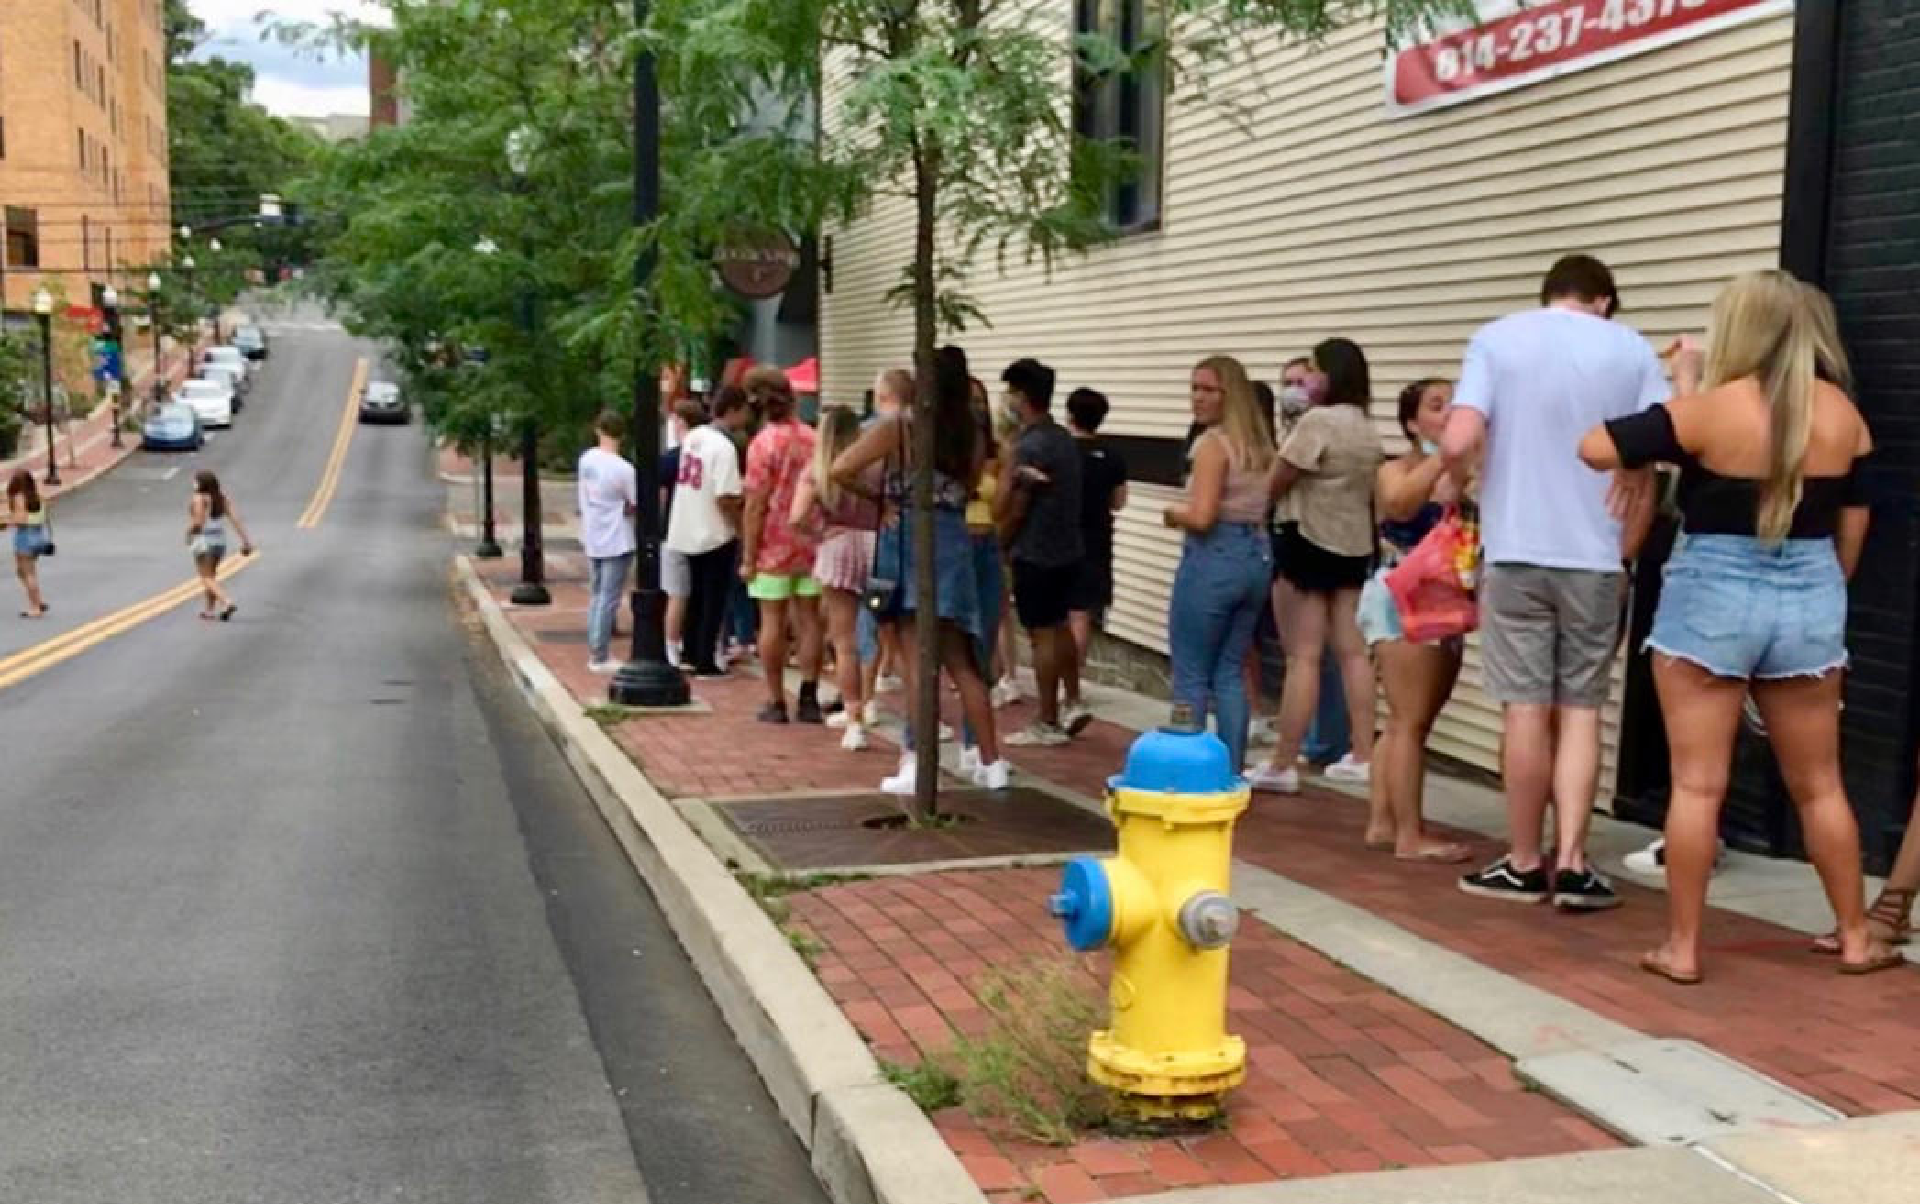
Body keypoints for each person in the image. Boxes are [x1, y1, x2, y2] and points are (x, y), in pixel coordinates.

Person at [1578, 271, 1899, 980]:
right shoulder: (1845, 414)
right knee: (1820, 784)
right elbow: (1852, 534)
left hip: (1711, 597)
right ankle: (1852, 934)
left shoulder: (1707, 412)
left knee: (1698, 785)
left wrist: (1681, 392)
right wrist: (1816, 591)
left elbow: (1595, 445)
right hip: (1810, 593)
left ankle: (1684, 948)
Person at [1440, 254, 1665, 911]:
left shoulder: (1498, 337)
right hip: (1595, 555)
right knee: (1582, 710)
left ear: (1550, 295)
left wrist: (1462, 467)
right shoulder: (1631, 348)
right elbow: (1663, 429)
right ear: (1602, 300)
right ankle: (1572, 863)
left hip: (1516, 551)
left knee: (1525, 710)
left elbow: (1458, 434)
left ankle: (1521, 860)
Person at [834, 347, 1007, 791]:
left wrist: (882, 500)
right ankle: (992, 762)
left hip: (908, 537)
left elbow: (841, 468)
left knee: (915, 660)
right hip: (954, 540)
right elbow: (970, 488)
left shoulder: (902, 430)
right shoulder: (971, 434)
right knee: (963, 660)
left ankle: (915, 759)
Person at [1249, 338, 1383, 792]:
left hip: (1305, 539)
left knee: (1302, 655)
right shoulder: (1366, 426)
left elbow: (1279, 477)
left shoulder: (1317, 422)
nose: (1305, 381)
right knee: (1352, 652)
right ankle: (1363, 752)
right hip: (1352, 544)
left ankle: (1283, 762)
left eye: (1312, 371)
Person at [1358, 379, 1473, 863]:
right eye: (1435, 406)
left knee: (1413, 721)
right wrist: (1442, 456)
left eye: (1455, 404)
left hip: (1445, 601)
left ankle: (1383, 821)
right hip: (1402, 599)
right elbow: (1399, 503)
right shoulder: (1395, 469)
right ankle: (1411, 834)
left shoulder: (1466, 473)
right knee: (1407, 719)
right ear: (1411, 423)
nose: (1448, 413)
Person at [1163, 356, 1275, 773]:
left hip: (1213, 557)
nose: (1198, 398)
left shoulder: (1212, 445)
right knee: (1229, 671)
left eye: (1208, 389)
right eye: (1194, 388)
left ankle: (1187, 767)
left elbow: (1203, 515)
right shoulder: (1259, 446)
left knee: (1191, 672)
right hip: (1255, 556)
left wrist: (1174, 513)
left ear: (1229, 395)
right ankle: (1231, 768)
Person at [995, 358, 1088, 746]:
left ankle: (1047, 718)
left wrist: (999, 545)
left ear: (1021, 396)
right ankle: (1072, 699)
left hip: (1036, 551)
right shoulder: (1064, 439)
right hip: (1069, 548)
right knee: (1062, 627)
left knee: (1042, 635)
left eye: (1011, 392)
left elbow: (1014, 508)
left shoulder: (1028, 446)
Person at [739, 367, 826, 723]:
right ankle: (809, 695)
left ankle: (776, 699)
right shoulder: (813, 438)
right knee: (810, 620)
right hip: (810, 539)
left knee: (771, 620)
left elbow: (755, 503)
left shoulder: (763, 444)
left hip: (773, 541)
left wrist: (748, 555)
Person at [791, 405, 879, 751]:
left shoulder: (817, 470)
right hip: (874, 545)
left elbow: (796, 516)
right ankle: (871, 701)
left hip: (837, 547)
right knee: (883, 634)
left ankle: (854, 718)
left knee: (844, 641)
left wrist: (819, 532)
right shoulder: (873, 467)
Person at [671, 386, 751, 676]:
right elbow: (725, 496)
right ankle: (705, 657)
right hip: (714, 530)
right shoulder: (724, 447)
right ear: (733, 410)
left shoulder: (694, 437)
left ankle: (690, 650)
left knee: (695, 594)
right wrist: (740, 526)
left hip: (688, 524)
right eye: (744, 411)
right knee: (713, 598)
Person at [1066, 387, 1128, 718]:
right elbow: (1119, 501)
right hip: (1098, 538)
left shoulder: (1063, 451)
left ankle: (1064, 682)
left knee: (1060, 615)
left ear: (1069, 414)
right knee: (1082, 615)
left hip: (1063, 538)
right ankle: (1072, 684)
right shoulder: (1112, 455)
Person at [858, 369, 912, 716]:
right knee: (906, 629)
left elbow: (841, 470)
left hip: (881, 542)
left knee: (874, 620)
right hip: (916, 539)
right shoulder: (934, 429)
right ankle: (922, 712)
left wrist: (880, 501)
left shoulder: (880, 431)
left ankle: (864, 705)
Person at [578, 410, 639, 674]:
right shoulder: (624, 468)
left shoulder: (587, 460)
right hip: (617, 535)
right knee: (609, 597)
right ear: (622, 435)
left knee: (597, 594)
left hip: (592, 532)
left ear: (598, 430)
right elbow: (635, 501)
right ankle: (599, 654)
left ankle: (595, 645)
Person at [659, 398, 705, 667]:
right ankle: (694, 644)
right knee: (699, 592)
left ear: (682, 423)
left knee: (677, 593)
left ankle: (671, 646)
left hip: (674, 530)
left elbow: (660, 494)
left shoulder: (673, 458)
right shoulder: (708, 451)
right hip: (701, 529)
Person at [186, 471, 254, 621]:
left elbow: (198, 522)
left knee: (205, 577)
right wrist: (246, 541)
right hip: (220, 541)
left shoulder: (199, 498)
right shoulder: (221, 498)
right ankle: (209, 610)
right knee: (211, 575)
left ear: (200, 484)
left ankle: (227, 602)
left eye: (195, 481)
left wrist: (188, 533)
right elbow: (236, 519)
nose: (193, 483)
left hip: (204, 540)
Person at [6, 471, 50, 619]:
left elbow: (21, 519)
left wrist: (7, 522)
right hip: (38, 537)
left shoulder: (19, 498)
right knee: (22, 571)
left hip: (24, 537)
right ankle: (38, 600)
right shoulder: (38, 497)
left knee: (27, 573)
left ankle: (35, 607)